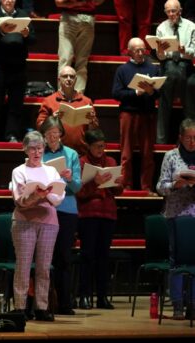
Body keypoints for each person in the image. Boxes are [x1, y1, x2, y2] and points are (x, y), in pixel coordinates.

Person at [10, 130, 64, 322]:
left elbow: (58, 199)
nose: (37, 152)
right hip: (25, 222)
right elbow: (19, 201)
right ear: (25, 149)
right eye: (32, 148)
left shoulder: (51, 171)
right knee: (23, 266)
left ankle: (41, 307)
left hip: (49, 222)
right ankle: (20, 307)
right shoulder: (19, 171)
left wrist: (45, 194)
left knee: (43, 267)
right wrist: (35, 196)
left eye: (40, 148)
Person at [76, 128, 123, 310]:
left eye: (103, 146)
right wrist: (93, 183)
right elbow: (79, 192)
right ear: (88, 146)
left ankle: (102, 297)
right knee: (87, 256)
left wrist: (118, 183)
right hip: (88, 215)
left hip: (108, 214)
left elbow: (117, 191)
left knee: (103, 257)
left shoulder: (110, 161)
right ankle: (84, 295)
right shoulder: (83, 163)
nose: (100, 150)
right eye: (97, 146)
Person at [39, 116, 81, 315]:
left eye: (56, 134)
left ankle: (64, 302)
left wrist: (70, 178)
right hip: (45, 208)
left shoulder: (71, 154)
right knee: (44, 257)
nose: (53, 138)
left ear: (61, 134)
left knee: (64, 256)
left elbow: (77, 187)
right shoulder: (39, 154)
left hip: (66, 210)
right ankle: (43, 302)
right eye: (49, 134)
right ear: (44, 136)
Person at [156, 118, 195, 320]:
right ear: (180, 137)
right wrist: (175, 185)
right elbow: (160, 186)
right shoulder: (170, 156)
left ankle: (194, 304)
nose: (192, 142)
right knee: (177, 260)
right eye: (188, 137)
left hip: (194, 214)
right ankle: (178, 303)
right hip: (176, 215)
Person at [0, 0, 36, 143]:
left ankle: (12, 135)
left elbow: (33, 39)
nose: (9, 1)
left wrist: (26, 34)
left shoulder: (23, 15)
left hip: (18, 67)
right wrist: (0, 31)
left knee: (16, 105)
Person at [112, 37, 160, 193]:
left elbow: (159, 92)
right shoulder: (122, 70)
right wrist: (135, 93)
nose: (141, 53)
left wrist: (152, 92)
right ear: (130, 52)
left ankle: (147, 186)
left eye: (143, 50)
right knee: (126, 153)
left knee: (148, 153)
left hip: (148, 114)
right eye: (137, 50)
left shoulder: (153, 68)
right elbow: (116, 93)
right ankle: (126, 185)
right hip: (128, 114)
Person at [154, 0, 195, 144]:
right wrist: (160, 51)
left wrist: (183, 51)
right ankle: (161, 141)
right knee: (170, 74)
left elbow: (194, 52)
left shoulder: (191, 27)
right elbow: (161, 56)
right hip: (168, 64)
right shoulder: (161, 28)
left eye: (174, 11)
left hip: (186, 64)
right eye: (168, 12)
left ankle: (190, 140)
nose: (171, 14)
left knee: (189, 106)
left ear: (180, 11)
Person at [36, 66, 99, 156]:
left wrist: (92, 122)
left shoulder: (86, 101)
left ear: (76, 79)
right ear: (59, 79)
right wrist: (52, 120)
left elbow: (94, 130)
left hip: (81, 153)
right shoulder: (49, 101)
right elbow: (39, 126)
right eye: (65, 76)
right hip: (55, 152)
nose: (69, 79)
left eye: (72, 76)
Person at [55, 0, 105, 93]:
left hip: (88, 17)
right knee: (65, 58)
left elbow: (98, 2)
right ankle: (63, 95)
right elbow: (58, 2)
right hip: (68, 17)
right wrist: (76, 3)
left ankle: (79, 96)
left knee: (82, 61)